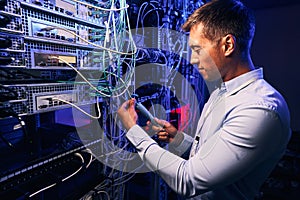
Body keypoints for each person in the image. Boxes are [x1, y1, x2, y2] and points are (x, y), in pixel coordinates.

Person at [117, 0, 291, 199]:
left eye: (198, 49)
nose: (192, 59)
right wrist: (179, 139)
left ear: (227, 45)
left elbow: (188, 180)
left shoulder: (259, 110)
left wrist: (133, 130)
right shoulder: (222, 91)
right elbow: (213, 157)